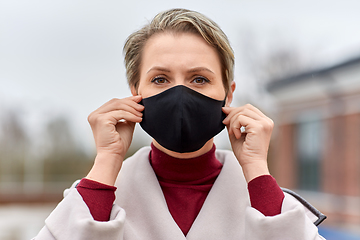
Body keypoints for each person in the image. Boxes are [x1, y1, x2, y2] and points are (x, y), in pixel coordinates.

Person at [34, 8, 325, 240]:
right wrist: (107, 161)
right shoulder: (96, 195)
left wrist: (257, 170)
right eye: (160, 79)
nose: (180, 95)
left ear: (229, 93)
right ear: (136, 93)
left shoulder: (266, 199)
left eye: (200, 79)